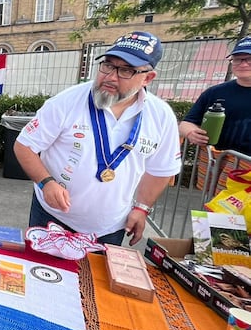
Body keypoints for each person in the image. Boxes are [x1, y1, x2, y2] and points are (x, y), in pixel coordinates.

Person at [13, 31, 182, 246]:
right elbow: (25, 145)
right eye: (108, 65)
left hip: (110, 227)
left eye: (126, 70)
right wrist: (46, 183)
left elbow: (161, 170)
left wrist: (142, 208)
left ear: (147, 78)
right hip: (53, 217)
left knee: (94, 280)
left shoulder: (161, 116)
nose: (111, 76)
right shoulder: (67, 101)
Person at [178, 36, 251, 156]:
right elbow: (186, 124)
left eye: (249, 59)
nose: (243, 64)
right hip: (216, 164)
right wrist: (191, 133)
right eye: (237, 59)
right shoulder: (215, 92)